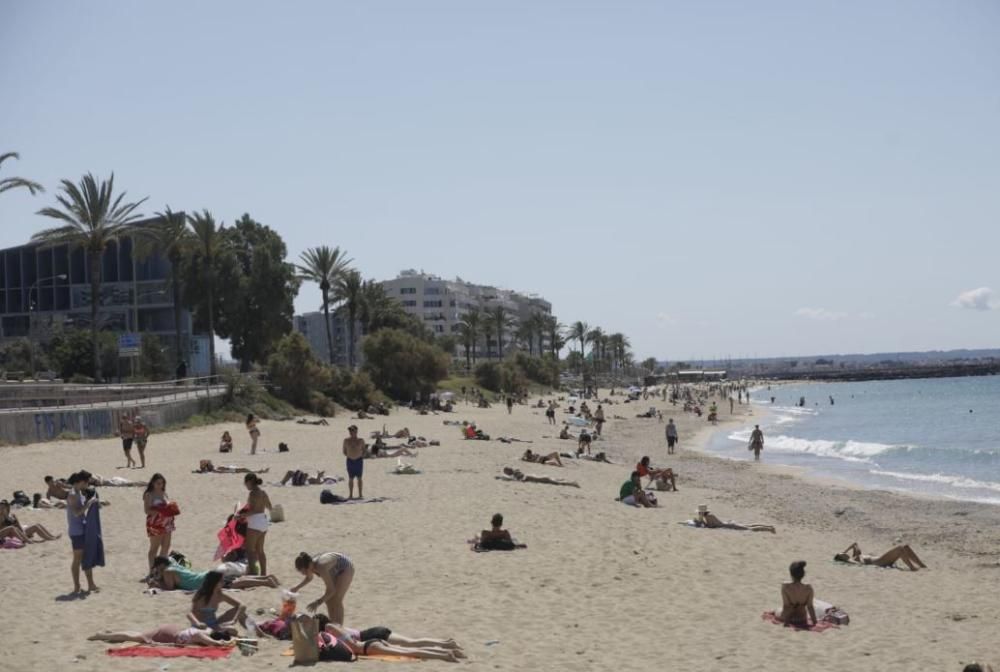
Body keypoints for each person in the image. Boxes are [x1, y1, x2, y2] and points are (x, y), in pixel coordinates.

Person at [292, 614, 463, 664]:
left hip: (368, 644)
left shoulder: (329, 629)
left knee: (411, 649)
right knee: (411, 646)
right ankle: (447, 648)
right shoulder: (332, 628)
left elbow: (352, 644)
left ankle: (445, 654)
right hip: (372, 642)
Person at [292, 551, 355, 625]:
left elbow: (331, 590)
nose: (305, 574)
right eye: (302, 572)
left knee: (337, 599)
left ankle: (340, 627)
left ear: (309, 565)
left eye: (305, 571)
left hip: (345, 567)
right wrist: (296, 588)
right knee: (328, 600)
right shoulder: (311, 565)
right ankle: (333, 624)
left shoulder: (321, 567)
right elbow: (309, 578)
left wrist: (317, 602)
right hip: (334, 569)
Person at [149, 555, 279, 590]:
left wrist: (156, 584)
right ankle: (265, 578)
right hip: (204, 576)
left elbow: (170, 587)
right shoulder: (173, 565)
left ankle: (266, 582)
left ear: (161, 566)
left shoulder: (167, 571)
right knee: (233, 582)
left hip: (202, 582)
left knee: (234, 584)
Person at [66, 471, 100, 594]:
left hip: (82, 527)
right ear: (81, 482)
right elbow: (76, 513)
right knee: (77, 559)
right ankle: (77, 586)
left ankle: (91, 584)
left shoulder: (79, 492)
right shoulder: (72, 494)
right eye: (87, 482)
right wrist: (88, 503)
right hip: (76, 531)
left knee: (86, 557)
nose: (88, 485)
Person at [188, 571, 245, 635]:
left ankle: (252, 630)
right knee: (231, 631)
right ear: (214, 582)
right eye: (221, 581)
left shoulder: (219, 595)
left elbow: (241, 605)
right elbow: (190, 614)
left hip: (214, 625)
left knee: (234, 627)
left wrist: (234, 620)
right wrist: (197, 623)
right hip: (201, 627)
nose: (224, 582)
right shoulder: (201, 595)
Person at [88, 624, 228, 647]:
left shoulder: (208, 630)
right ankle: (100, 635)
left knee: (138, 635)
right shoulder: (202, 636)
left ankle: (110, 634)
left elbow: (214, 634)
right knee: (136, 638)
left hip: (171, 630)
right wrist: (223, 642)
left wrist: (226, 637)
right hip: (167, 635)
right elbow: (214, 643)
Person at [143, 473, 176, 571]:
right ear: (153, 483)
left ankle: (161, 570)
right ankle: (152, 570)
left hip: (167, 523)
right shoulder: (149, 494)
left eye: (162, 483)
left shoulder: (163, 492)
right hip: (155, 523)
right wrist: (159, 511)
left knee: (166, 546)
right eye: (158, 483)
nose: (160, 485)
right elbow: (146, 511)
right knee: (154, 548)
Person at [243, 474, 272, 575]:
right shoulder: (263, 493)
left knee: (250, 551)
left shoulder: (252, 494)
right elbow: (270, 507)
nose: (245, 485)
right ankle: (263, 573)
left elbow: (253, 511)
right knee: (260, 550)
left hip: (254, 522)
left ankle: (253, 574)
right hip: (263, 522)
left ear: (249, 482)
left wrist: (241, 516)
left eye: (245, 483)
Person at [834, 542, 928, 571]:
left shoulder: (855, 556)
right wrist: (845, 558)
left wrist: (845, 551)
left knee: (905, 547)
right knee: (900, 549)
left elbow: (855, 544)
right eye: (841, 554)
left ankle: (921, 565)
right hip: (880, 562)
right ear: (842, 558)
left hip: (881, 559)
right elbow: (859, 564)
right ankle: (912, 567)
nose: (843, 553)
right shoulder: (852, 561)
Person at [777, 560, 817, 627]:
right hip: (801, 619)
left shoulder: (785, 586)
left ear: (791, 574)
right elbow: (810, 607)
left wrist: (786, 621)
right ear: (803, 575)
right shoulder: (808, 588)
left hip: (788, 618)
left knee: (777, 610)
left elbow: (786, 606)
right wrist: (815, 622)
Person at [696, 504, 775, 533]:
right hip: (729, 523)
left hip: (729, 525)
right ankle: (769, 526)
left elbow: (710, 526)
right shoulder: (709, 515)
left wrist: (701, 520)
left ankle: (769, 529)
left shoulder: (708, 517)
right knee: (749, 525)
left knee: (750, 529)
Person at [497, 467, 579, 488]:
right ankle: (571, 482)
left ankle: (572, 483)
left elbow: (522, 477)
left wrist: (523, 479)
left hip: (542, 479)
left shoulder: (517, 473)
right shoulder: (516, 473)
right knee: (557, 480)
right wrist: (500, 477)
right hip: (541, 477)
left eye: (507, 471)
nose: (507, 473)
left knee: (558, 483)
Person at [343, 425, 365, 499]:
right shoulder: (346, 440)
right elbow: (344, 451)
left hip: (359, 460)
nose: (351, 432)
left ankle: (360, 494)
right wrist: (350, 455)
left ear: (356, 431)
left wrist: (358, 455)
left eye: (352, 431)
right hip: (350, 461)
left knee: (359, 478)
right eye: (350, 431)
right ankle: (351, 495)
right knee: (350, 478)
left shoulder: (361, 440)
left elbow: (364, 450)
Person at [195, 460, 269, 474]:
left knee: (244, 469)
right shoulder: (213, 469)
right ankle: (259, 471)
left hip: (230, 469)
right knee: (244, 469)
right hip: (231, 470)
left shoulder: (213, 468)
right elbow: (221, 472)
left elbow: (203, 469)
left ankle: (259, 471)